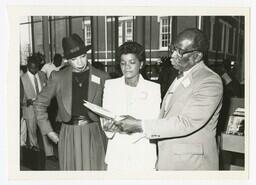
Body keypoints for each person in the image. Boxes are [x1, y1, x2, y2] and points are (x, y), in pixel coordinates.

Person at [117, 28, 223, 170]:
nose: (172, 55)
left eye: (179, 51)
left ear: (197, 56)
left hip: (191, 165)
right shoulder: (180, 75)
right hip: (170, 160)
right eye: (173, 48)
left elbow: (187, 122)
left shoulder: (210, 81)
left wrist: (139, 125)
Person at [34, 33, 110, 170]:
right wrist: (49, 132)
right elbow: (39, 104)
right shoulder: (57, 77)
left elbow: (111, 108)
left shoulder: (102, 76)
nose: (80, 62)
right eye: (75, 59)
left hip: (94, 132)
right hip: (69, 133)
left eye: (83, 56)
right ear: (68, 60)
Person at [102, 41, 161, 170]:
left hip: (143, 152)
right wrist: (108, 127)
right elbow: (105, 117)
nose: (127, 67)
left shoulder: (154, 89)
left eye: (132, 62)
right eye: (123, 63)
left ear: (141, 64)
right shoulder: (110, 86)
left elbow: (153, 122)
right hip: (117, 152)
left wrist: (129, 127)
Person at [20, 54, 54, 157]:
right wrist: (27, 102)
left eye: (36, 68)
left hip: (42, 108)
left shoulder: (42, 75)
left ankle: (50, 154)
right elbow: (19, 99)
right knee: (32, 133)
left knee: (46, 130)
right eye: (31, 68)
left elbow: (48, 90)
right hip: (29, 109)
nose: (34, 71)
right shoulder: (22, 79)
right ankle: (36, 153)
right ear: (28, 66)